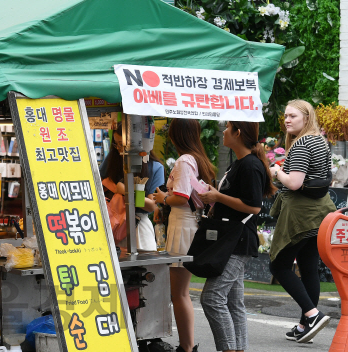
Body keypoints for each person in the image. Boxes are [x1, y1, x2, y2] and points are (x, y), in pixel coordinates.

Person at [196, 121, 277, 352]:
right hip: (233, 238)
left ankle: (229, 349)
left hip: (237, 240)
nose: (223, 131)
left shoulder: (250, 165)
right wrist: (214, 198)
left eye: (227, 127)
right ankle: (237, 348)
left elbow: (253, 207)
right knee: (233, 302)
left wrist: (218, 198)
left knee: (211, 298)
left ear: (238, 133)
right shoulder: (240, 163)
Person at [268, 99, 335, 344]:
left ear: (306, 118)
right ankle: (304, 325)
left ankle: (313, 315)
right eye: (285, 115)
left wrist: (276, 171)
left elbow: (294, 183)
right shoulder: (319, 140)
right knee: (308, 267)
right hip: (321, 212)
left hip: (301, 214)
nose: (287, 120)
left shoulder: (302, 143)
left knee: (279, 266)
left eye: (293, 116)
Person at [152, 119, 215, 352]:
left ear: (176, 135)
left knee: (178, 293)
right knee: (180, 292)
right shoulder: (196, 158)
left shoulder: (183, 161)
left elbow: (181, 197)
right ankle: (187, 346)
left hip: (183, 227)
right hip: (186, 226)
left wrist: (162, 199)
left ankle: (187, 347)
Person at [99, 122, 165, 251]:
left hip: (138, 227)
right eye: (116, 144)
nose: (118, 148)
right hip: (112, 222)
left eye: (122, 145)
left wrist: (125, 191)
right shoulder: (112, 159)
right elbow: (98, 186)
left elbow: (151, 205)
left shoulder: (155, 167)